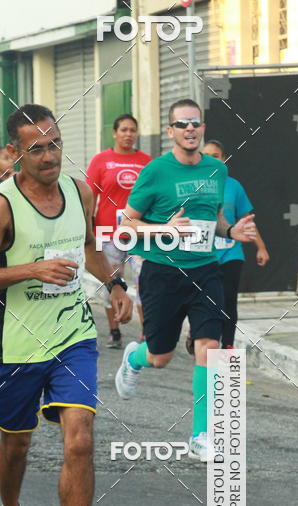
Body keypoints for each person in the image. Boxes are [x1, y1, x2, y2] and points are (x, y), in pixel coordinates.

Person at [0, 104, 132, 506]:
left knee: (80, 436)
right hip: (16, 342)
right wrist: (30, 269)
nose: (49, 155)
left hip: (72, 335)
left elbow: (90, 250)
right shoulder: (1, 205)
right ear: (15, 154)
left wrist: (116, 284)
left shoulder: (79, 192)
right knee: (16, 443)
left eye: (54, 143)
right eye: (36, 148)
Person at [113, 98, 257, 462]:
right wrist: (165, 228)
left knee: (209, 345)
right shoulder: (156, 172)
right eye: (182, 124)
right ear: (171, 132)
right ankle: (135, 358)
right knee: (161, 356)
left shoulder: (217, 170)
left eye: (195, 123)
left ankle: (201, 433)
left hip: (207, 268)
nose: (190, 129)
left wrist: (231, 230)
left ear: (203, 128)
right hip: (162, 272)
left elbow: (216, 216)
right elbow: (125, 226)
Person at [184, 139, 269, 352]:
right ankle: (197, 332)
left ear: (224, 160)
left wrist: (261, 247)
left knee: (229, 298)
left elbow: (247, 219)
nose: (211, 160)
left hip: (231, 252)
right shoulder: (194, 185)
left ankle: (228, 345)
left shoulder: (234, 186)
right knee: (202, 299)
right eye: (206, 155)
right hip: (202, 253)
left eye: (216, 156)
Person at [86, 114, 152, 348]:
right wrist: (89, 227)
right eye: (123, 129)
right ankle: (115, 331)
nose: (128, 134)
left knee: (145, 281)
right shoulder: (101, 160)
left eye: (132, 130)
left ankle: (147, 333)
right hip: (107, 232)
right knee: (112, 280)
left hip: (139, 234)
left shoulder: (147, 161)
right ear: (114, 133)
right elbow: (90, 195)